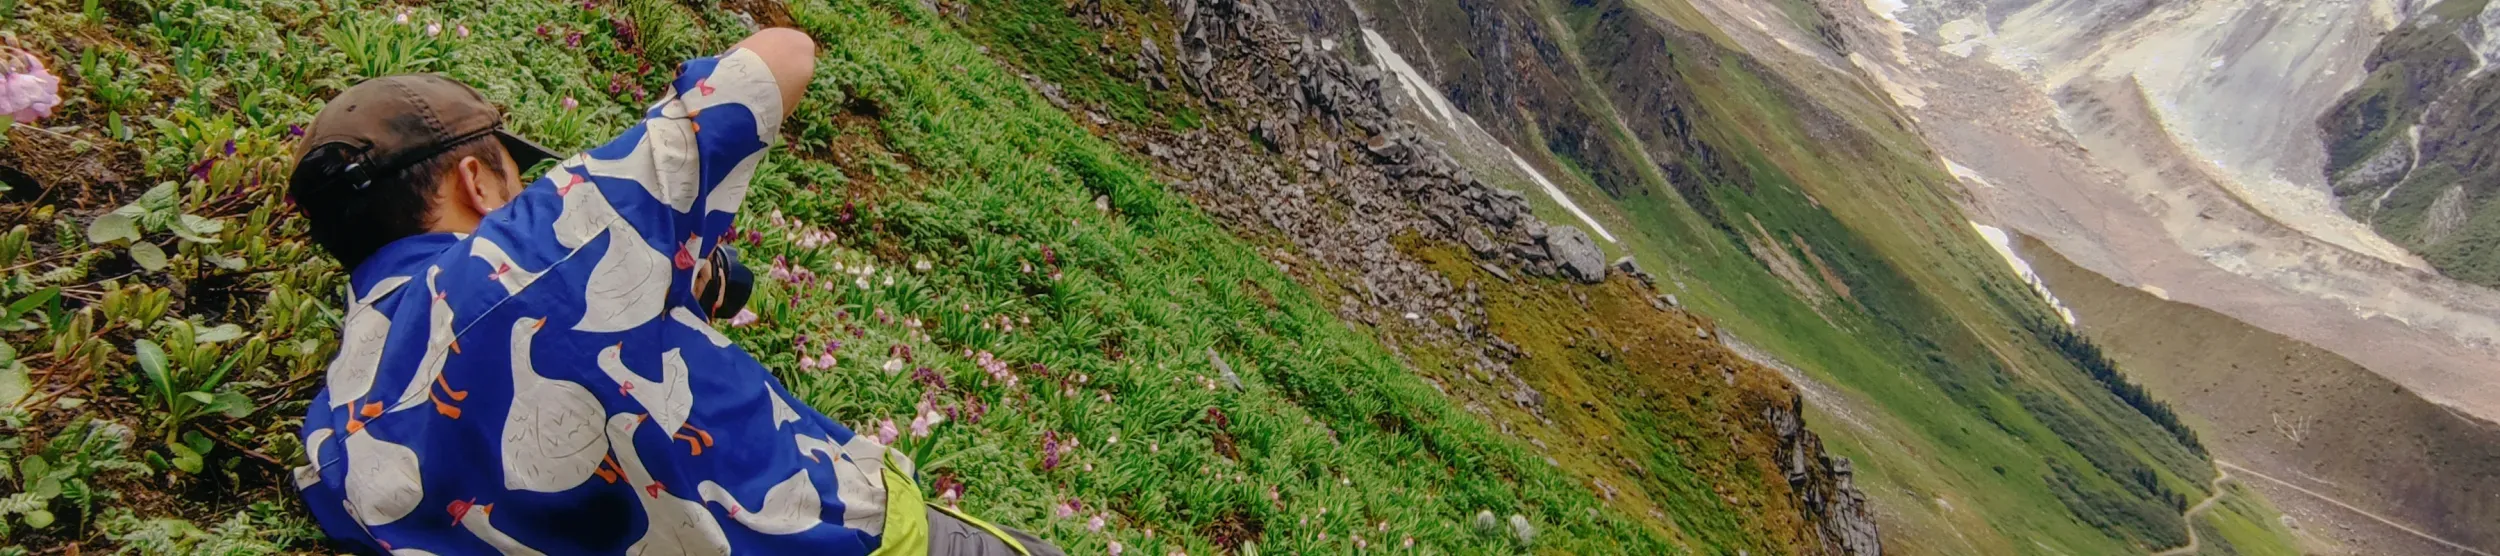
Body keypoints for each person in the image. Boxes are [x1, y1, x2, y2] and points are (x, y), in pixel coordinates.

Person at [285, 28, 1061, 555]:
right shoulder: (545, 240)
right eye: (514, 171)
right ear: (477, 180)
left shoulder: (331, 437)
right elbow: (783, 56)